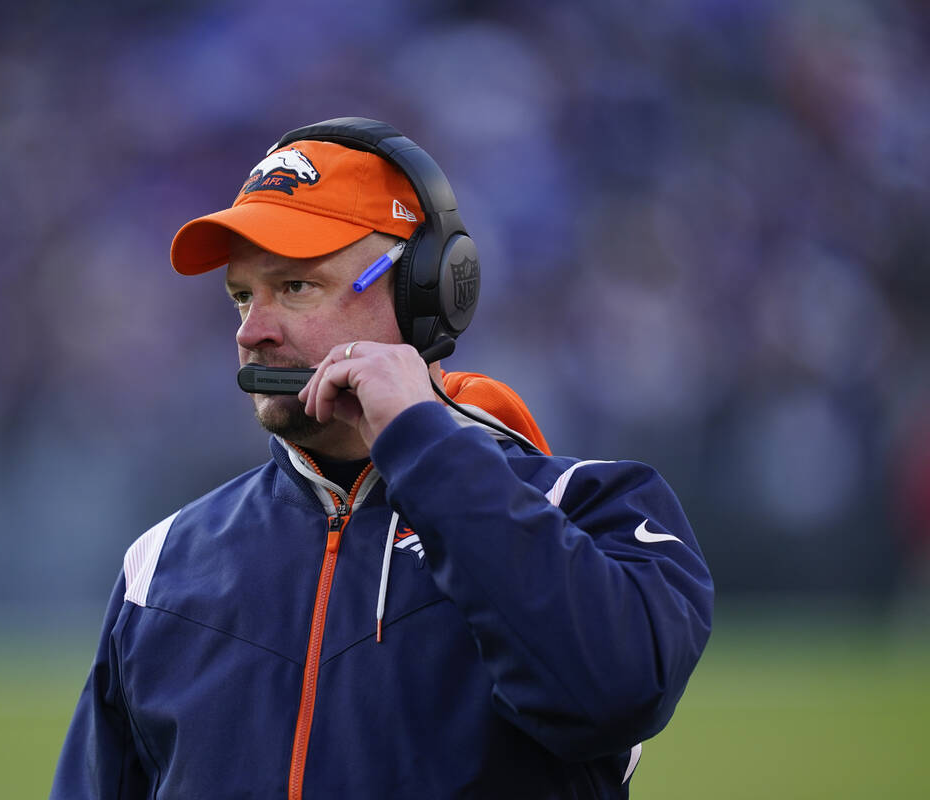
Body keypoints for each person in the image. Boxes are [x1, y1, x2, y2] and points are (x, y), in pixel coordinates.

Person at [51, 118, 714, 799]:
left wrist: (424, 444)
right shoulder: (159, 567)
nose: (253, 331)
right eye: (243, 296)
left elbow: (611, 691)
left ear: (428, 290)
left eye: (295, 287)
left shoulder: (590, 508)